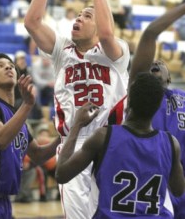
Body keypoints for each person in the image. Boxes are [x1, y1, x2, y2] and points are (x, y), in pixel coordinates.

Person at [24, 0, 130, 219]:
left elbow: (107, 32)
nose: (79, 18)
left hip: (111, 141)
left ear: (99, 24)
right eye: (78, 14)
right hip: (73, 143)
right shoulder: (63, 52)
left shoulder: (114, 52)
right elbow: (32, 23)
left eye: (87, 15)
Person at [55, 82, 185, 218]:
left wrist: (77, 125)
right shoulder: (171, 144)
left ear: (128, 102)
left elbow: (61, 174)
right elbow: (178, 190)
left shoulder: (104, 137)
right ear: (158, 107)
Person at [0, 53, 60, 218]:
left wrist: (64, 134)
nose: (8, 66)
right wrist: (28, 104)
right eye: (0, 66)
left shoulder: (18, 119)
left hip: (4, 202)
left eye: (10, 64)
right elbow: (1, 139)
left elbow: (38, 155)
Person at [127, 3, 185, 219]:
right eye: (151, 62)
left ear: (169, 78)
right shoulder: (138, 92)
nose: (156, 62)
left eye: (161, 63)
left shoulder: (181, 96)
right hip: (151, 181)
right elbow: (150, 33)